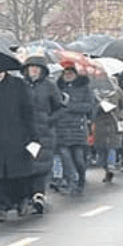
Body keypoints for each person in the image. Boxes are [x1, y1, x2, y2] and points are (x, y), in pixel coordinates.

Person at [0, 66, 39, 220]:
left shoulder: (18, 84)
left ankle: (21, 201)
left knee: (17, 173)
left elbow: (28, 110)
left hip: (17, 135)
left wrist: (33, 136)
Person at [22, 55, 62, 213]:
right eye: (31, 67)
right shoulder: (21, 86)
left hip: (44, 131)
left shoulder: (49, 86)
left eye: (36, 67)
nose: (33, 70)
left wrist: (49, 121)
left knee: (41, 164)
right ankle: (26, 195)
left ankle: (39, 194)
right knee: (26, 164)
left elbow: (59, 108)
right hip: (24, 132)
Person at [51, 62, 95, 195]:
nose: (68, 75)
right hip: (62, 128)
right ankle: (71, 182)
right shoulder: (57, 88)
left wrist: (70, 106)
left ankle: (81, 178)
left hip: (78, 128)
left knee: (79, 159)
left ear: (75, 75)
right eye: (66, 73)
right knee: (65, 157)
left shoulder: (85, 88)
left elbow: (89, 106)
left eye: (71, 73)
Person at [89, 75, 123, 183]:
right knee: (101, 148)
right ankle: (106, 168)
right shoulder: (95, 93)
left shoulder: (117, 91)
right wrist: (98, 107)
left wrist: (121, 116)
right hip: (100, 122)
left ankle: (111, 167)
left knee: (112, 146)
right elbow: (91, 107)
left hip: (114, 121)